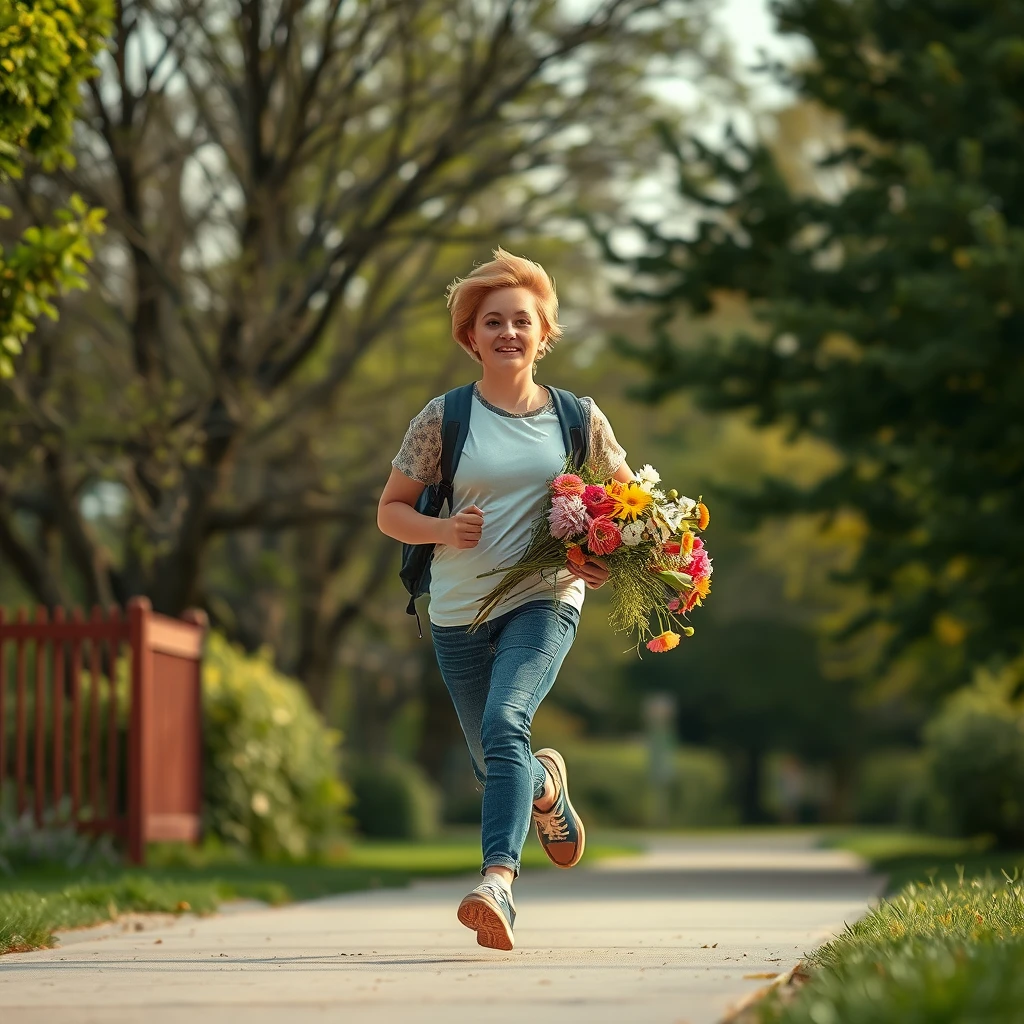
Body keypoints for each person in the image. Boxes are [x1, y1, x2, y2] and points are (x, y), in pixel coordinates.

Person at [377, 248, 632, 951]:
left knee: (506, 716)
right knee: (498, 760)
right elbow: (390, 511)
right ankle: (547, 788)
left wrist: (604, 555)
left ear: (544, 333)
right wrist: (440, 528)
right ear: (471, 337)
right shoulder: (444, 417)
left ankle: (498, 883)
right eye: (493, 322)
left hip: (545, 598)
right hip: (459, 611)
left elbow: (629, 507)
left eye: (522, 321)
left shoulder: (577, 419)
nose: (508, 333)